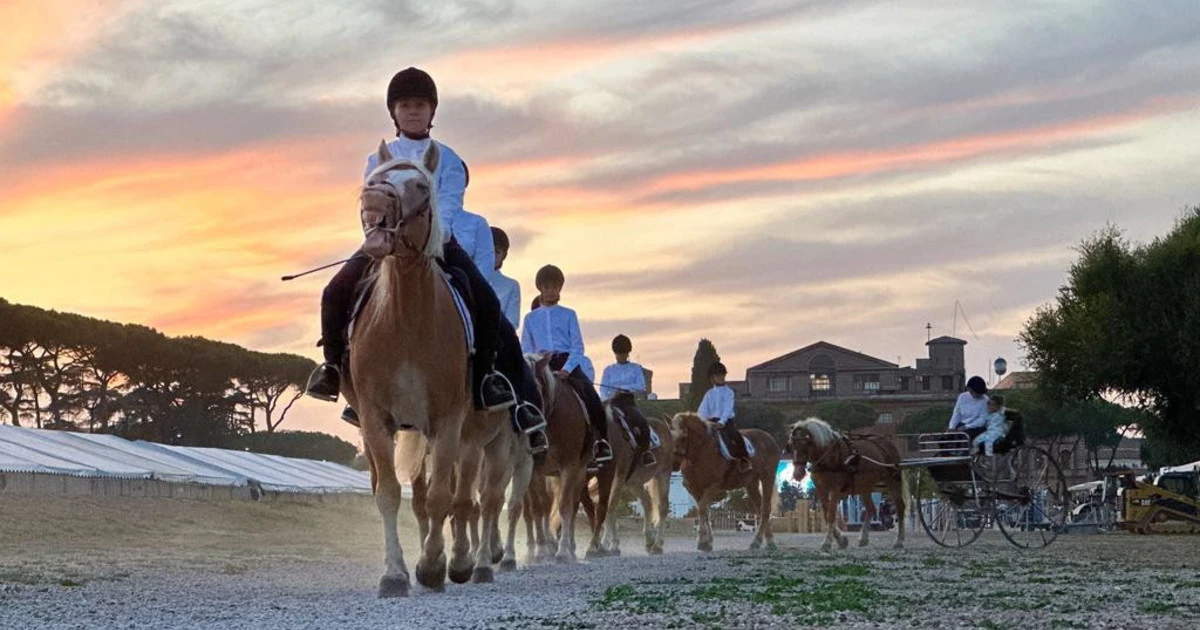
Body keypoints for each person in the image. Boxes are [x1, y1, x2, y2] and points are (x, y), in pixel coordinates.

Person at [303, 67, 546, 451]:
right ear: (393, 112)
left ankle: (488, 381)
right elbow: (369, 204)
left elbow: (447, 208)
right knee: (334, 290)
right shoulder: (378, 157)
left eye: (419, 105)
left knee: (485, 301)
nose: (412, 112)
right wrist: (377, 236)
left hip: (435, 242)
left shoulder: (447, 160)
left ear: (431, 111)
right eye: (405, 105)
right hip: (385, 243)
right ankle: (334, 370)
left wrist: (423, 235)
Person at [521, 264, 613, 466]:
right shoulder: (530, 318)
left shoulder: (569, 314)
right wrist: (537, 361)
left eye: (555, 286)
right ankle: (527, 438)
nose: (551, 290)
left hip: (566, 362)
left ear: (560, 288)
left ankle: (601, 443)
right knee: (525, 396)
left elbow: (578, 346)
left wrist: (567, 369)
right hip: (540, 364)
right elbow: (526, 347)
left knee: (590, 395)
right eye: (547, 287)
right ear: (540, 288)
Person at [599, 334, 656, 468]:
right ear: (615, 353)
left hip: (627, 402)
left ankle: (645, 452)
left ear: (628, 352)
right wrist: (612, 395)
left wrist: (623, 389)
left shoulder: (635, 368)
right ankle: (600, 449)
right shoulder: (608, 370)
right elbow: (602, 390)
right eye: (619, 354)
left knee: (641, 420)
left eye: (623, 353)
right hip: (611, 403)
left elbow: (641, 386)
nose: (621, 356)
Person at [697, 362, 751, 472]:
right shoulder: (709, 394)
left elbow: (728, 408)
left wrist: (722, 422)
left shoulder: (729, 392)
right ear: (712, 378)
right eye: (718, 375)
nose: (721, 378)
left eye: (722, 375)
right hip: (711, 422)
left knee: (736, 436)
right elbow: (702, 410)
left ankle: (743, 460)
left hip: (726, 422)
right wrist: (700, 421)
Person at [488, 227, 521, 330]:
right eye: (489, 250)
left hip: (497, 342)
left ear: (504, 255)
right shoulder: (467, 279)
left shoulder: (511, 286)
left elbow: (512, 323)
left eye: (497, 252)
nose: (492, 256)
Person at [947, 375, 990, 440]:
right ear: (969, 389)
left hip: (976, 427)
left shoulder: (985, 400)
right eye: (977, 392)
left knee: (963, 437)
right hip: (961, 424)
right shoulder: (962, 397)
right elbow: (957, 413)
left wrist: (966, 427)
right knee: (946, 438)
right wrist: (951, 427)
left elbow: (982, 420)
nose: (979, 395)